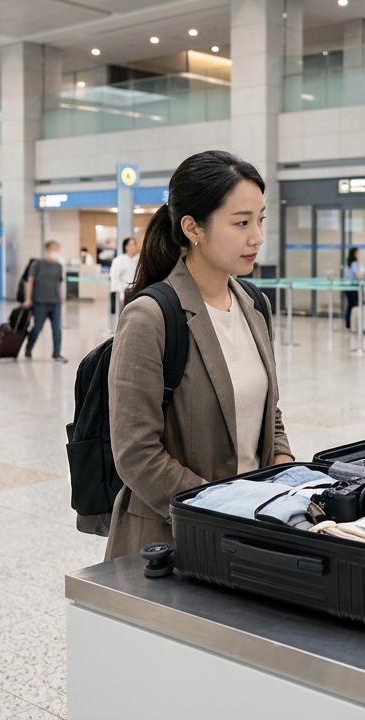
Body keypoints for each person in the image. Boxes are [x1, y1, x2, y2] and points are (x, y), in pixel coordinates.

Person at [106, 150, 293, 558]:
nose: (257, 236)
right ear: (192, 227)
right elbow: (135, 452)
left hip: (251, 528)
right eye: (241, 222)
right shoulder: (150, 317)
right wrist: (220, 507)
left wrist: (282, 469)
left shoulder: (254, 305)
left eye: (260, 220)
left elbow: (268, 411)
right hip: (173, 539)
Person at [23, 240, 67, 362]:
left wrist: (61, 298)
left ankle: (57, 353)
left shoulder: (58, 266)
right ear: (47, 250)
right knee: (37, 328)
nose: (56, 252)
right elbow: (30, 282)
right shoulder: (37, 264)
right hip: (40, 302)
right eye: (54, 249)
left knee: (57, 328)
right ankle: (29, 348)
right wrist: (28, 299)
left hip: (55, 302)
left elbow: (58, 283)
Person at [110, 236, 138, 314]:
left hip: (137, 289)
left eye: (134, 244)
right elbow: (115, 277)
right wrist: (121, 294)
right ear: (126, 247)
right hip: (125, 291)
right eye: (130, 245)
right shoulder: (119, 260)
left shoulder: (138, 259)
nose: (132, 247)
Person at [342, 247, 362, 330]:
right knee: (353, 305)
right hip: (352, 286)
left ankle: (348, 322)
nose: (358, 255)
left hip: (347, 286)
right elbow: (357, 275)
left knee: (350, 305)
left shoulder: (348, 264)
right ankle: (352, 323)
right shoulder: (354, 263)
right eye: (357, 253)